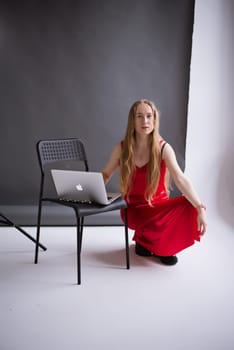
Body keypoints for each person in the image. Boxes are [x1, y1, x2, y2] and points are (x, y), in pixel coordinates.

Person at [102, 99, 207, 265]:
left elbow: (180, 179)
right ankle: (147, 240)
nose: (145, 121)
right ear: (132, 120)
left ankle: (149, 243)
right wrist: (90, 191)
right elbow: (106, 174)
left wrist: (200, 208)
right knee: (153, 230)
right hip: (133, 211)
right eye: (140, 116)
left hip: (158, 210)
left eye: (149, 116)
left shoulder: (164, 148)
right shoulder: (122, 148)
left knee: (190, 204)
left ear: (154, 120)